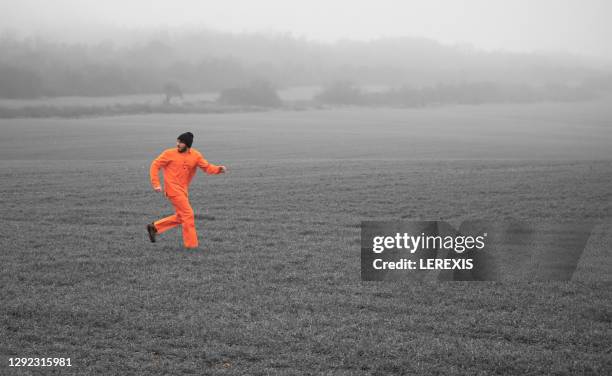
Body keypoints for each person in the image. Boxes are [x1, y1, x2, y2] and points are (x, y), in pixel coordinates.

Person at [147, 132, 226, 248]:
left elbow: (207, 167)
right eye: (177, 141)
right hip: (172, 189)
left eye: (181, 142)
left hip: (183, 190)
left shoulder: (196, 156)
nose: (177, 144)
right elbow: (155, 165)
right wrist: (156, 184)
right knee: (188, 214)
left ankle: (155, 227)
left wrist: (218, 169)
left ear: (187, 145)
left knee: (182, 216)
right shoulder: (169, 153)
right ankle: (191, 245)